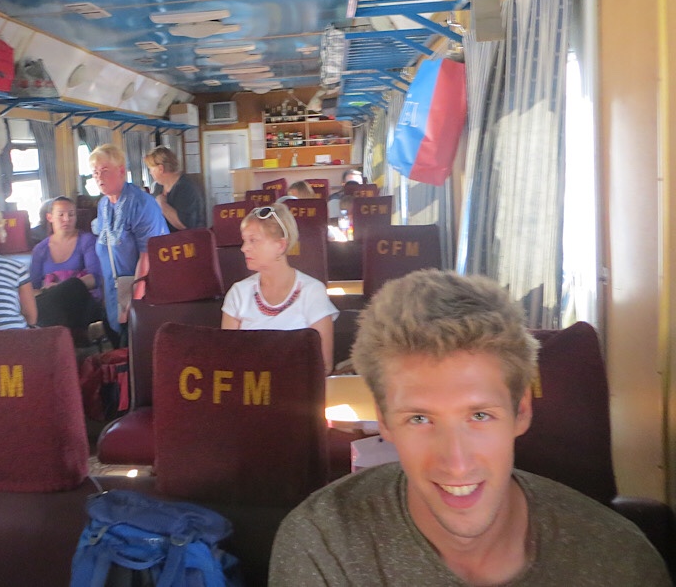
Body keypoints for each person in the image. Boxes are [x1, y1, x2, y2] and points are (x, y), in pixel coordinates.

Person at [269, 270, 670, 586]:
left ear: (521, 412)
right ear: (386, 421)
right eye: (420, 418)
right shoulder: (324, 545)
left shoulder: (617, 562)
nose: (455, 463)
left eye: (479, 416)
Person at [221, 203, 338, 374]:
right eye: (244, 240)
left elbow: (324, 366)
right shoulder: (238, 293)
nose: (243, 248)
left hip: (299, 393)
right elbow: (226, 360)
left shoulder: (313, 292)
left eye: (253, 240)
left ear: (280, 246)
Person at [90, 144, 169, 341]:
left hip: (140, 293)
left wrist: (134, 305)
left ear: (122, 171)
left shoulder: (141, 204)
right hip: (113, 292)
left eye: (105, 171)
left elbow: (148, 256)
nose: (99, 177)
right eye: (95, 172)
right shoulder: (103, 205)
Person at [28, 196, 104, 340]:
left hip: (83, 303)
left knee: (73, 284)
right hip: (52, 305)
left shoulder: (87, 240)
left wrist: (60, 287)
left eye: (71, 214)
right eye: (61, 215)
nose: (67, 219)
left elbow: (96, 278)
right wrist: (48, 290)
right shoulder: (40, 249)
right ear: (49, 217)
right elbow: (33, 287)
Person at [145, 146, 206, 233]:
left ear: (160, 169)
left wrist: (162, 204)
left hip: (189, 242)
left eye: (151, 169)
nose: (150, 173)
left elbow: (183, 224)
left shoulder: (186, 187)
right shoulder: (157, 187)